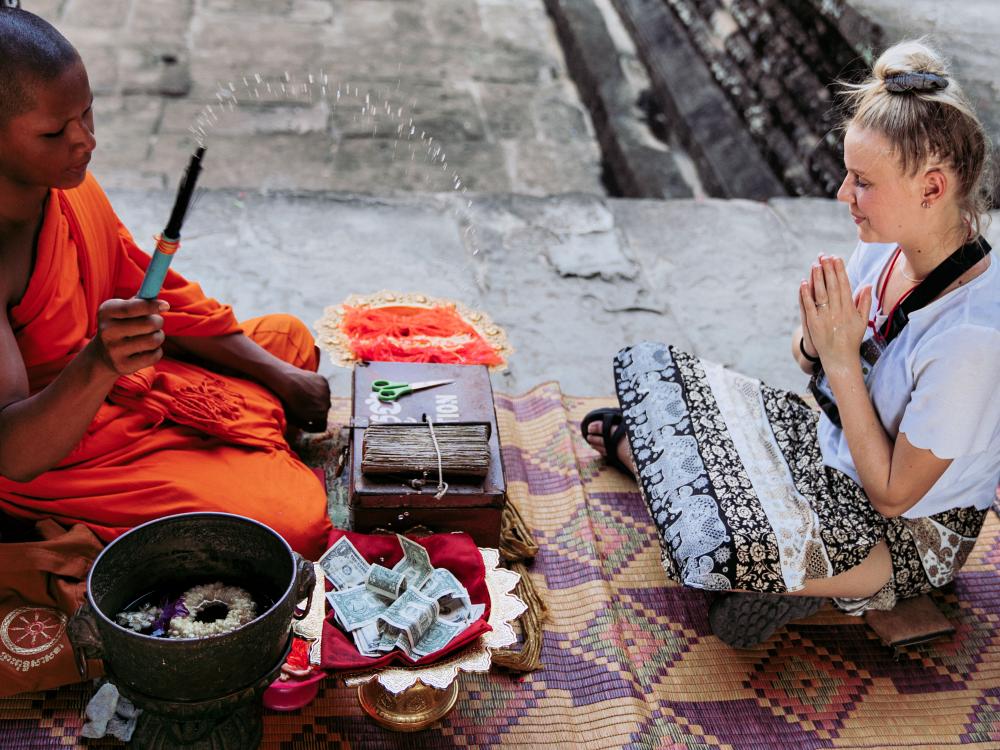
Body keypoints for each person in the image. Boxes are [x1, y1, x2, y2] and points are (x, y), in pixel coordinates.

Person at [584, 39, 1000, 647]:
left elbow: (890, 494)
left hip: (907, 531)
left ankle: (785, 570)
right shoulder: (889, 244)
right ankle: (779, 567)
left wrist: (840, 358)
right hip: (831, 449)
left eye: (862, 182)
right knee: (654, 370)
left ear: (932, 189)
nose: (842, 195)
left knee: (715, 532)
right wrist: (816, 341)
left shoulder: (971, 339)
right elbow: (811, 368)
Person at [0, 9, 333, 560]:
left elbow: (164, 304)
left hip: (120, 385)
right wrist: (100, 364)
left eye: (87, 113)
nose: (85, 141)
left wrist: (276, 374)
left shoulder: (63, 185)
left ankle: (236, 451)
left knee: (286, 340)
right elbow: (12, 452)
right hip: (58, 447)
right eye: (55, 131)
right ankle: (236, 466)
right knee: (292, 522)